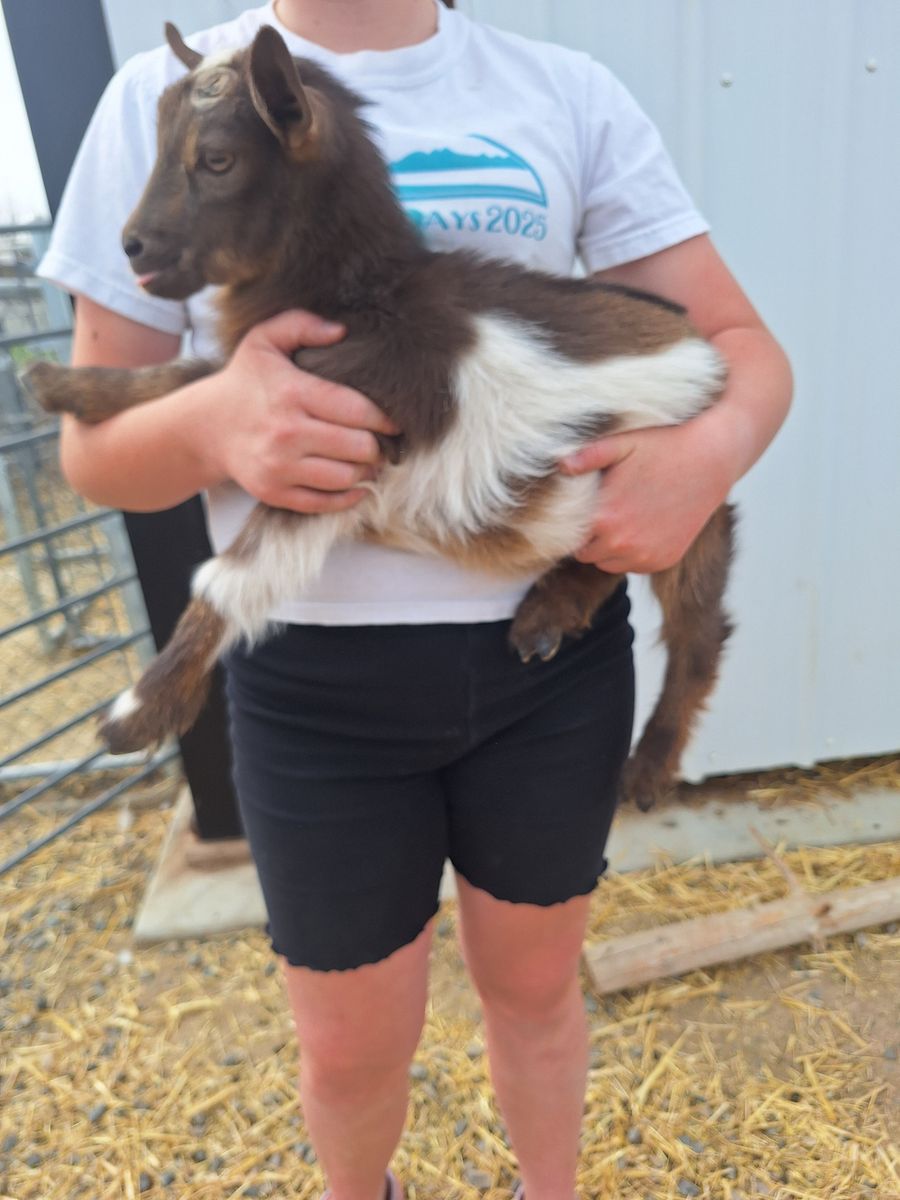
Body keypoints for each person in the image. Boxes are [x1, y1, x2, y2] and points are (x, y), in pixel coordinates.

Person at [38, 2, 792, 1198]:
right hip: (312, 690)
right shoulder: (159, 95)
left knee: (536, 990)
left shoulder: (563, 93)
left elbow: (738, 345)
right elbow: (96, 458)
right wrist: (217, 421)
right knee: (347, 1048)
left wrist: (706, 456)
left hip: (546, 675)